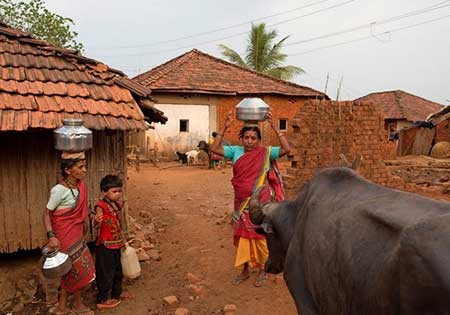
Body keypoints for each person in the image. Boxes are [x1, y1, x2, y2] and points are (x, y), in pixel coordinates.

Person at [210, 111, 292, 287]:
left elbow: (287, 149)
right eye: (246, 137)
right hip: (241, 202)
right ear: (241, 138)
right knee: (242, 237)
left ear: (259, 140)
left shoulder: (266, 152)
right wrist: (224, 128)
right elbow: (215, 149)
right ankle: (245, 270)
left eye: (253, 138)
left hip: (260, 203)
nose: (249, 141)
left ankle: (263, 270)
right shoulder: (235, 151)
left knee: (260, 236)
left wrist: (276, 129)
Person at [43, 151, 95, 315]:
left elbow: (82, 213)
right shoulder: (58, 190)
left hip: (77, 233)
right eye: (80, 167)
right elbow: (46, 214)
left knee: (74, 270)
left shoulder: (81, 186)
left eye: (85, 166)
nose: (85, 170)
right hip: (63, 236)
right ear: (67, 170)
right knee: (70, 270)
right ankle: (71, 306)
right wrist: (51, 237)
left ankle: (64, 306)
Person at [93, 175, 133, 309]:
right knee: (105, 272)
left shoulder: (116, 204)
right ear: (105, 192)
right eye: (114, 191)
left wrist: (123, 240)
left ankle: (116, 293)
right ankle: (102, 299)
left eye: (119, 191)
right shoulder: (101, 205)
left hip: (115, 243)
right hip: (105, 245)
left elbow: (117, 223)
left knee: (117, 270)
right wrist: (97, 219)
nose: (117, 194)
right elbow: (97, 218)